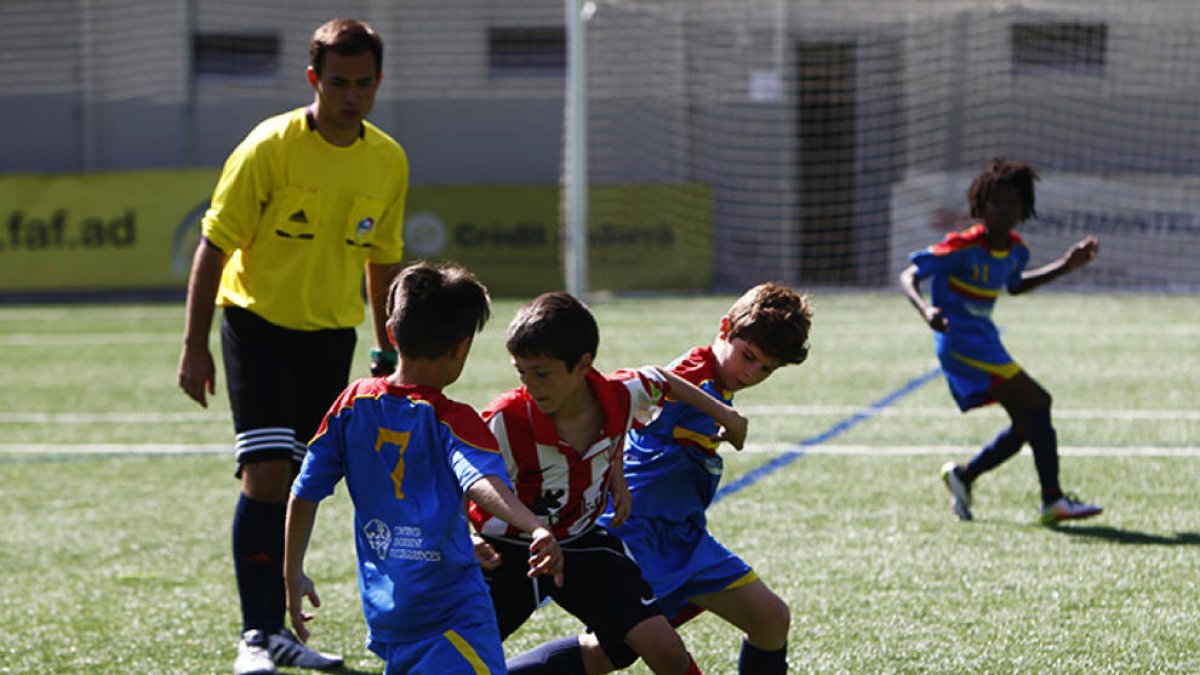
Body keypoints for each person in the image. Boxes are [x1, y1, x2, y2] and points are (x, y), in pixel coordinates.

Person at [176, 18, 409, 675]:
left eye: (364, 83)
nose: (351, 95)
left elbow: (381, 263)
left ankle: (279, 630)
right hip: (257, 326)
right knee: (267, 473)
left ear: (378, 83)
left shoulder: (388, 158)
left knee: (303, 482)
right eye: (338, 82)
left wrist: (388, 347)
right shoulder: (269, 147)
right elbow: (214, 247)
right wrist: (195, 346)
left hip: (330, 336)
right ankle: (255, 635)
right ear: (314, 79)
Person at [284, 262, 564, 675]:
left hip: (389, 612)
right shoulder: (451, 418)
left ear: (393, 335)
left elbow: (304, 490)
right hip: (450, 613)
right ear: (461, 347)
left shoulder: (352, 404)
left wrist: (293, 572)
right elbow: (480, 479)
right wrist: (535, 525)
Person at [535, 283, 812, 675]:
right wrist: (617, 480)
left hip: (685, 537)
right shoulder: (693, 373)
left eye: (766, 368)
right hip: (639, 537)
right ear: (724, 327)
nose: (751, 373)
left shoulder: (720, 384)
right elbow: (616, 400)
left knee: (770, 619)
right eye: (747, 356)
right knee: (604, 655)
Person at [469, 292, 751, 675]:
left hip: (583, 542)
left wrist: (726, 415)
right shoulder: (505, 419)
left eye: (542, 373)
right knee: (454, 656)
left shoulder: (619, 395)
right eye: (522, 372)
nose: (531, 385)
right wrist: (466, 536)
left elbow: (663, 379)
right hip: (507, 553)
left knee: (663, 647)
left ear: (584, 364)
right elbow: (462, 475)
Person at [898, 157, 1104, 525]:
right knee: (1039, 401)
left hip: (984, 339)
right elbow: (909, 276)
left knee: (1028, 422)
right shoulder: (960, 246)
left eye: (1012, 204)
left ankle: (964, 475)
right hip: (960, 341)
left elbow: (1015, 285)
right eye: (996, 203)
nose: (1004, 210)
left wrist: (1064, 265)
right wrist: (926, 311)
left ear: (1024, 208)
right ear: (980, 206)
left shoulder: (1015, 250)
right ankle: (1053, 500)